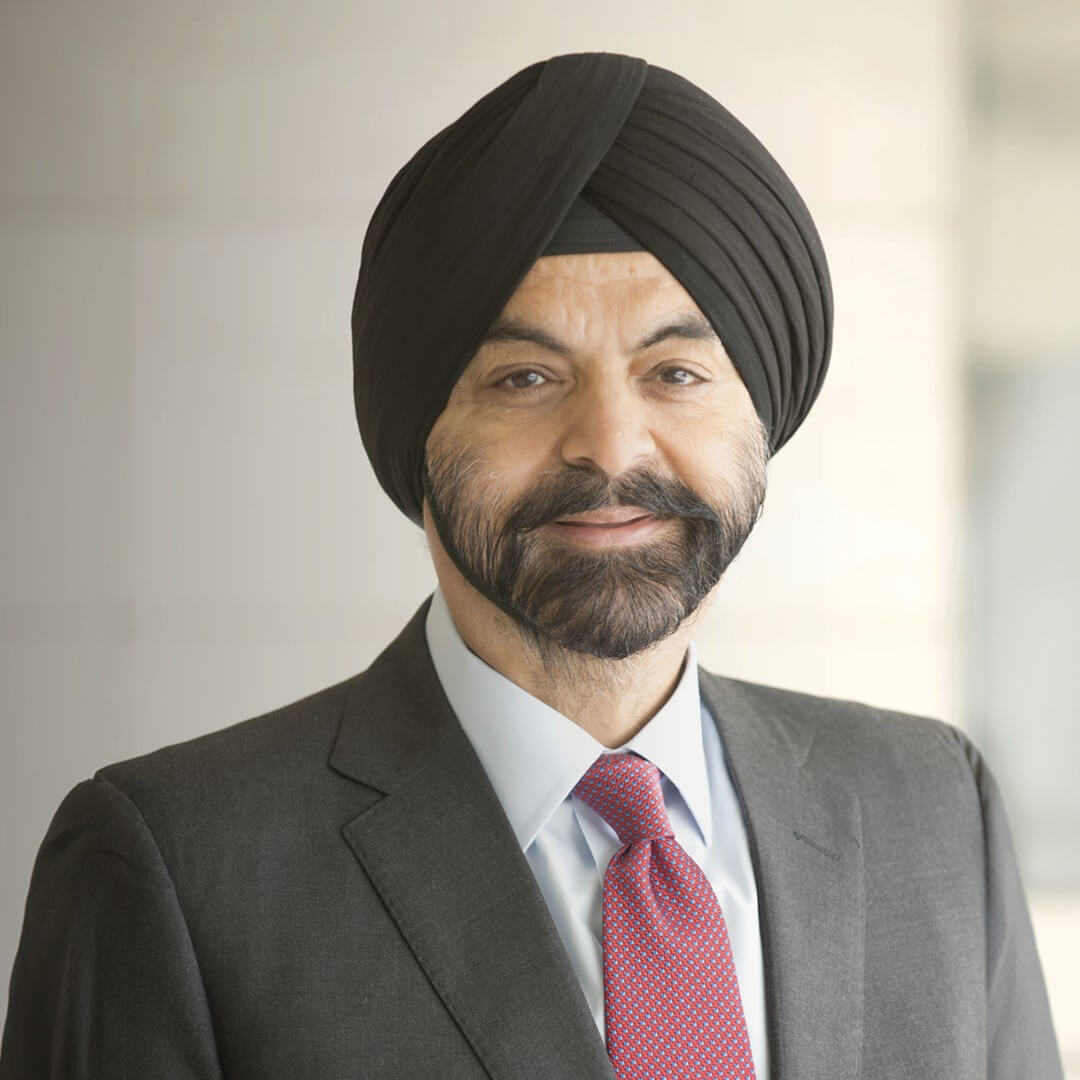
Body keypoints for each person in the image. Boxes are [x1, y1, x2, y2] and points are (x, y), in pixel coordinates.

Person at [0, 52, 1063, 1080]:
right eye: (522, 377)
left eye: (677, 371)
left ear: (761, 414)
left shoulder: (931, 807)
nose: (610, 444)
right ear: (420, 425)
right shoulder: (174, 872)